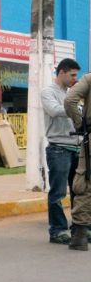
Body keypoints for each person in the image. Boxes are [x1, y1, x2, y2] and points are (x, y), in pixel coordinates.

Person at [41, 58, 80, 245]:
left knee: (78, 191)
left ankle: (80, 228)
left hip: (76, 147)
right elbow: (55, 110)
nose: (75, 78)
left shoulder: (71, 93)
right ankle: (57, 231)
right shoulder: (48, 92)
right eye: (72, 75)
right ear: (62, 72)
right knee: (58, 192)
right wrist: (74, 106)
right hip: (58, 148)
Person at [64, 68, 91, 251]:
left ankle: (80, 235)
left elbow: (69, 100)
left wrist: (79, 123)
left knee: (85, 184)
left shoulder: (89, 79)